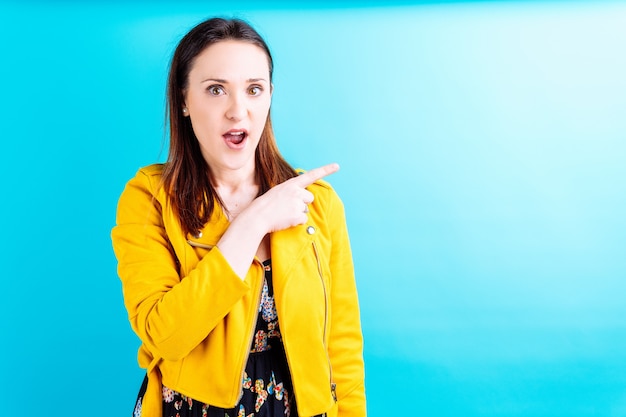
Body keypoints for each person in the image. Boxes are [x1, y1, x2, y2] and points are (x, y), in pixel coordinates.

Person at [111, 17, 365, 417]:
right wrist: (253, 222)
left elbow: (343, 346)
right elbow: (165, 336)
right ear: (183, 100)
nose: (237, 110)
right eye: (216, 90)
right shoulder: (150, 199)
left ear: (269, 97)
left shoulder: (317, 203)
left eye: (253, 90)